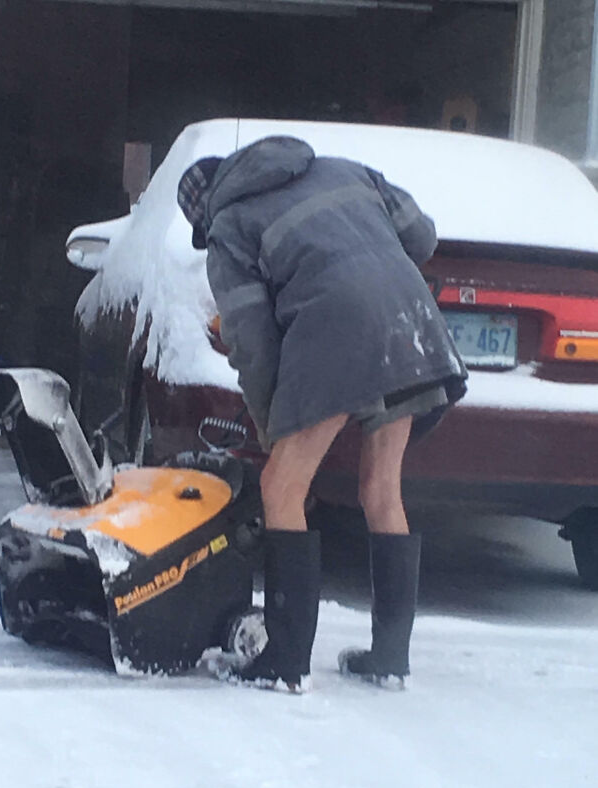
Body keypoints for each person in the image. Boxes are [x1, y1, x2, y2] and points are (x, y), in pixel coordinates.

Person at [177, 135, 467, 693]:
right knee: (382, 488)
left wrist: (272, 429)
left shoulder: (228, 227)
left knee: (281, 487)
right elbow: (422, 236)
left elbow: (251, 339)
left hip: (336, 330)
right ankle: (389, 660)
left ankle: (283, 662)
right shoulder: (345, 168)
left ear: (205, 208)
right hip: (410, 320)